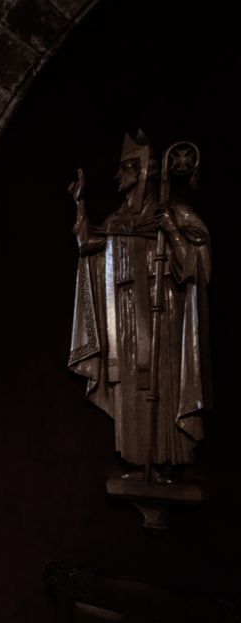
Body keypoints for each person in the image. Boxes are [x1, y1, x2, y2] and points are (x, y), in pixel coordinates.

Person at [68, 131, 211, 480]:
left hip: (165, 316)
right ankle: (139, 463)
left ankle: (165, 461)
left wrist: (171, 231)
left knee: (162, 385)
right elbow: (89, 246)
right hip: (126, 319)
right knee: (130, 385)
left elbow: (197, 267)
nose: (118, 177)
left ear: (141, 171)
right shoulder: (118, 221)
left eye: (124, 170)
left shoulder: (175, 213)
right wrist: (80, 202)